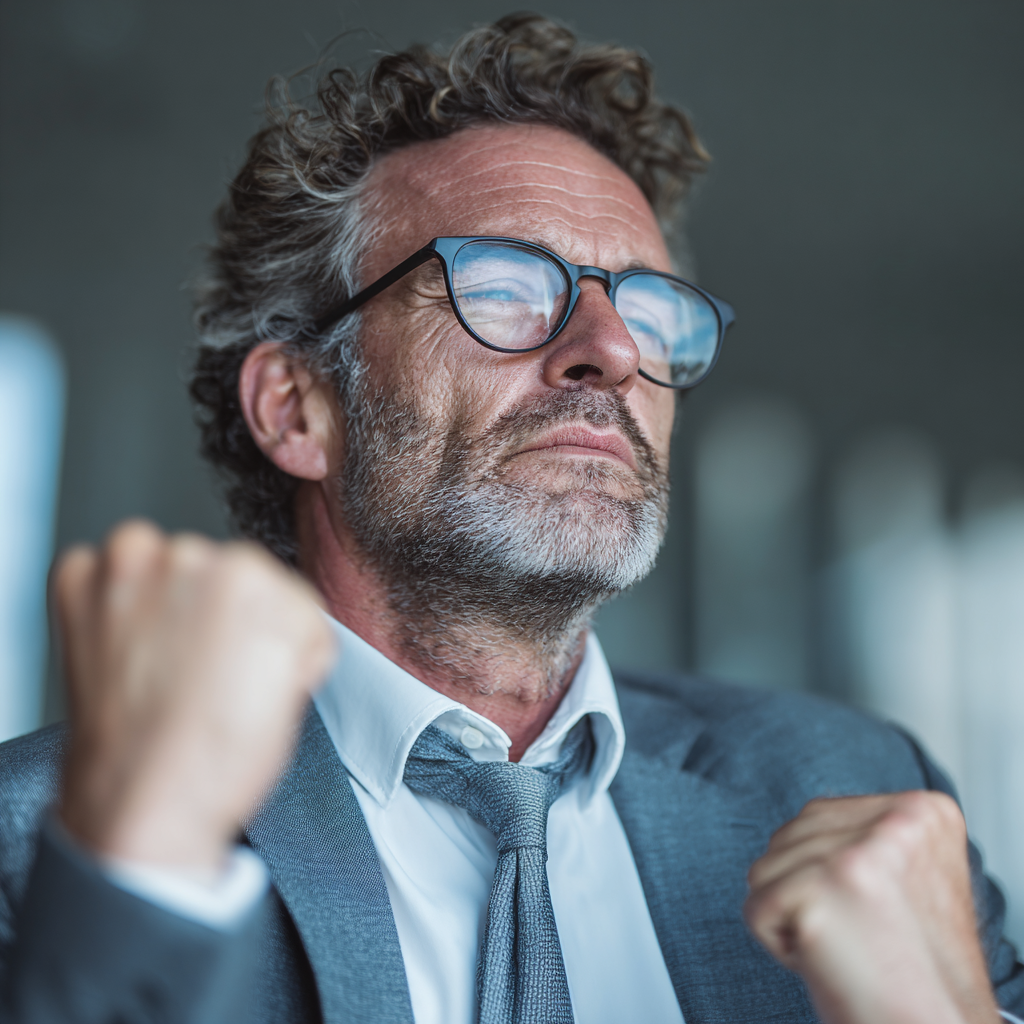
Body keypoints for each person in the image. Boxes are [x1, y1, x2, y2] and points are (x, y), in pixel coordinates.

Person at [1, 14, 1022, 1024]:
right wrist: (136, 877)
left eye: (648, 310)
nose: (610, 351)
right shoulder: (47, 839)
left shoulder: (868, 792)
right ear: (296, 408)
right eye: (501, 286)